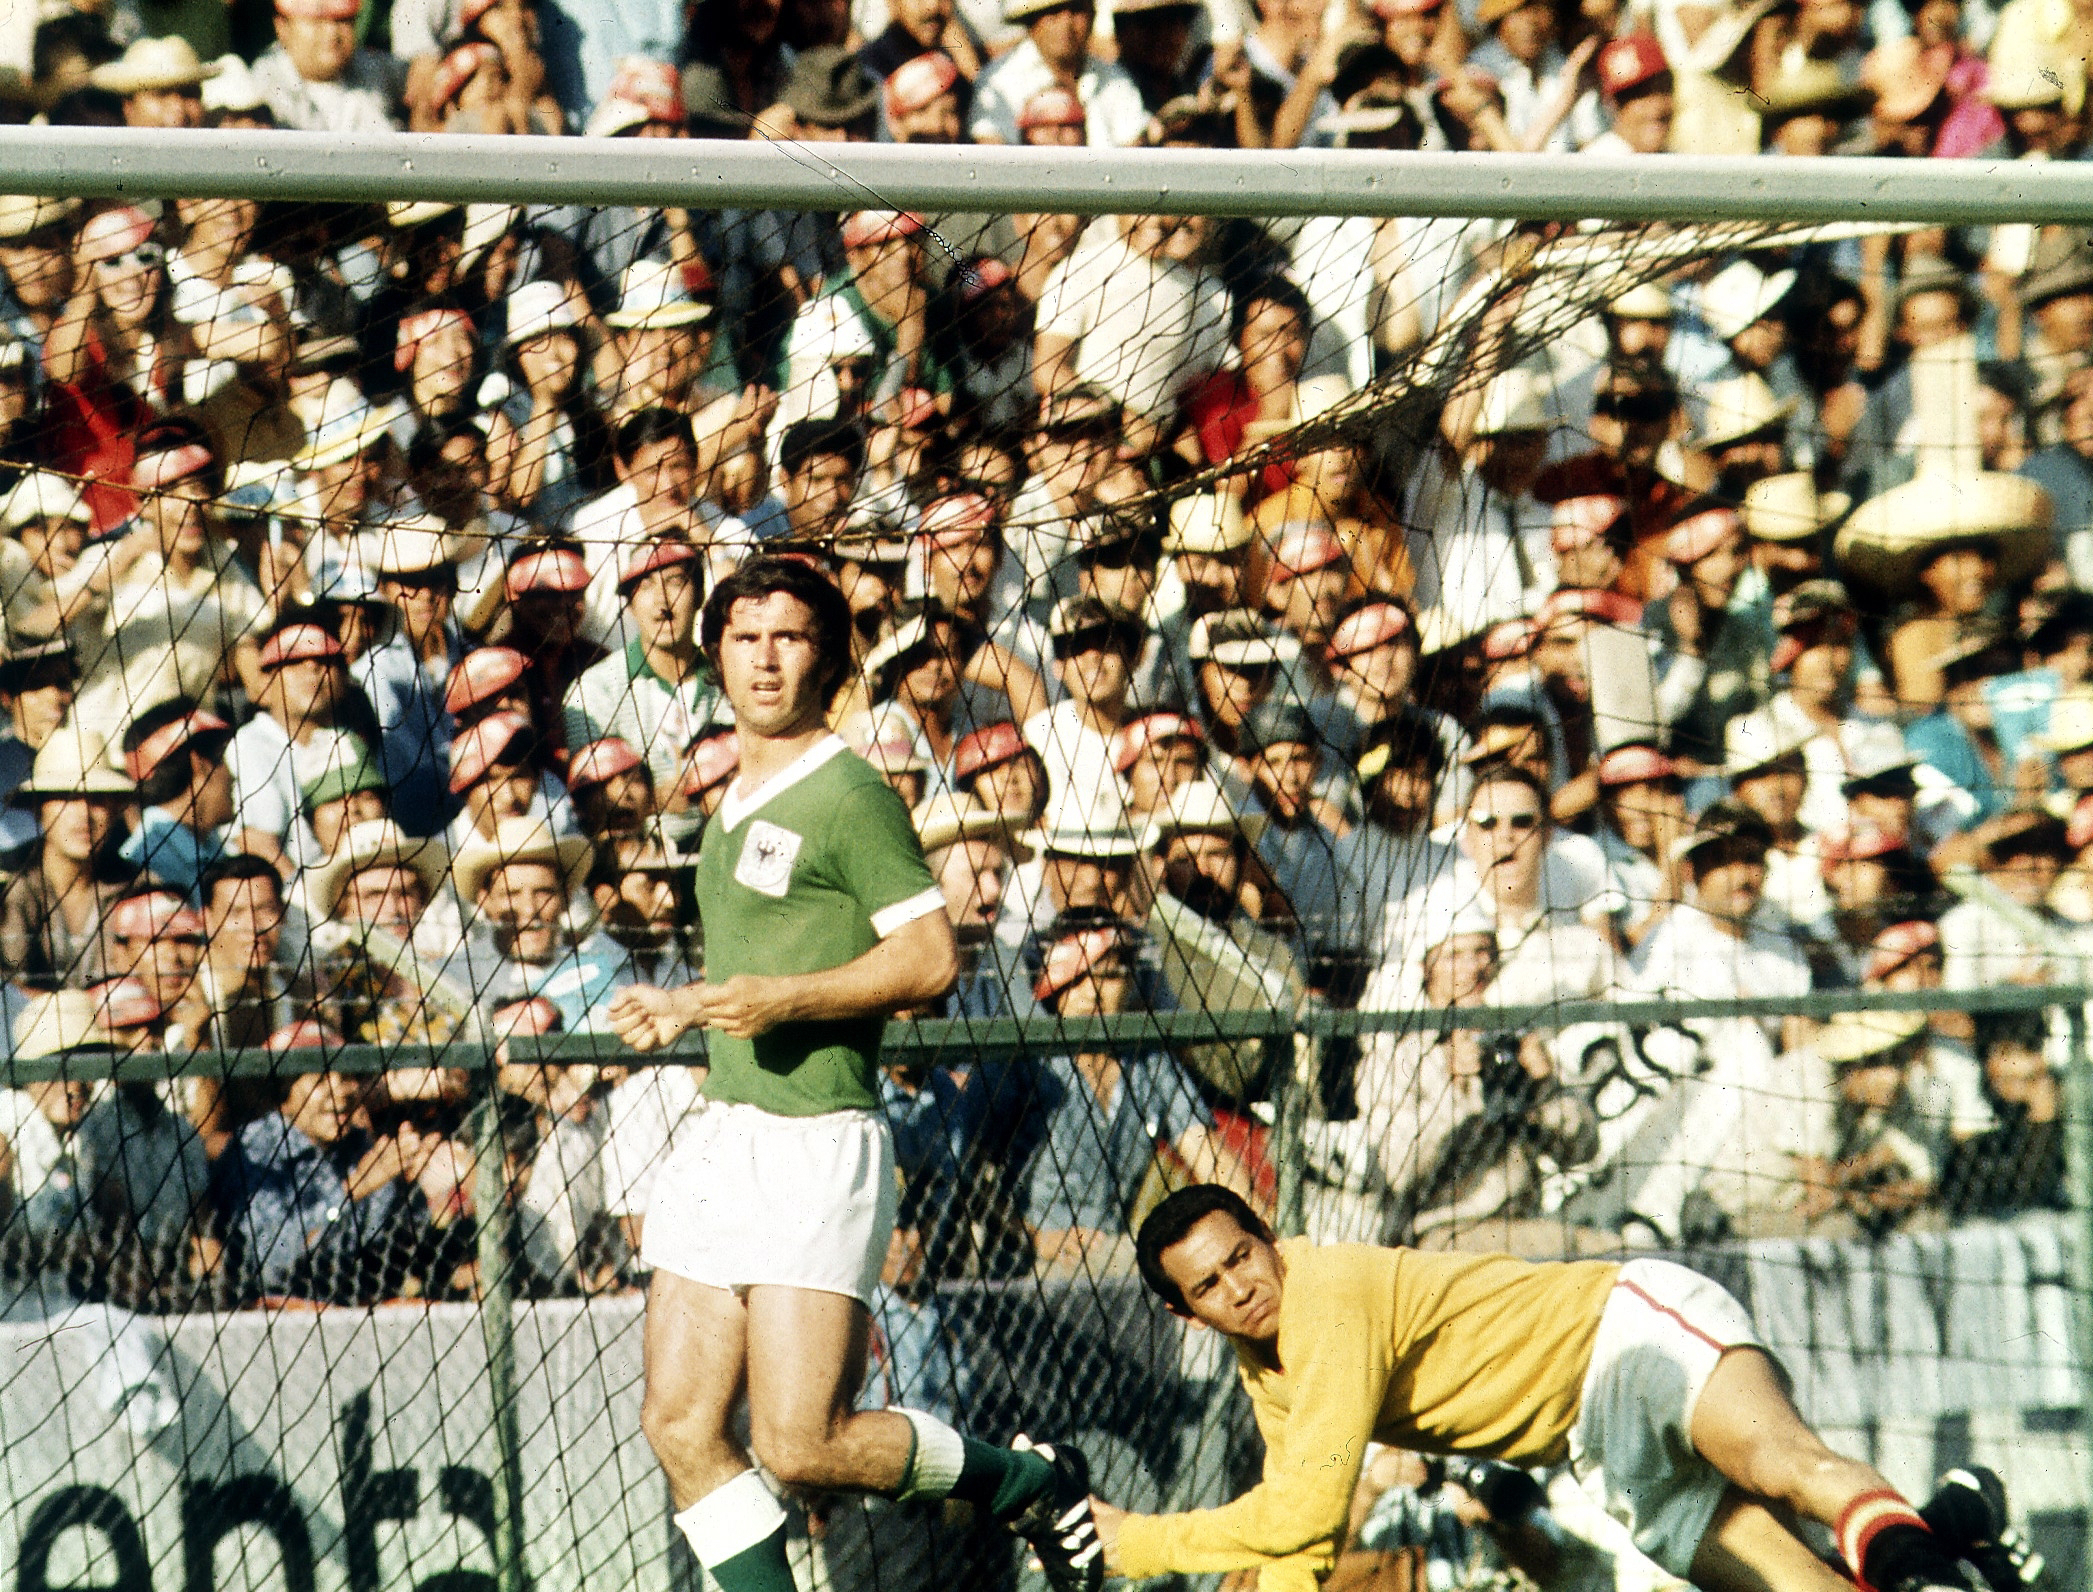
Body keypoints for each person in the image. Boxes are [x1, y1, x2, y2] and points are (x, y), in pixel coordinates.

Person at [604, 555, 1104, 1592]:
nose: (765, 657)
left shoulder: (849, 792)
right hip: (721, 1134)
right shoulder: (733, 794)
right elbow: (760, 956)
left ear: (825, 657)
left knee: (799, 1442)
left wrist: (786, 1001)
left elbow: (928, 958)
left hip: (815, 1139)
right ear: (715, 655)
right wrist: (689, 1005)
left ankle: (1026, 1482)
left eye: (788, 637)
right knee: (679, 1422)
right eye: (744, 637)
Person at [1094, 1183, 2011, 1592]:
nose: (1238, 1287)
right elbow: (1304, 1541)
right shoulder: (1268, 1371)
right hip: (1585, 1441)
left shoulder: (1325, 1292)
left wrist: (1138, 1543)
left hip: (1624, 1329)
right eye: (1208, 1286)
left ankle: (1931, 1570)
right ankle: (1953, 1534)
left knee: (1779, 1459)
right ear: (1187, 1315)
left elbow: (1300, 1510)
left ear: (1271, 1239)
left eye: (1241, 1257)